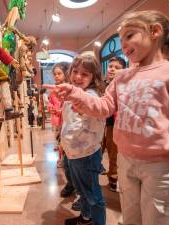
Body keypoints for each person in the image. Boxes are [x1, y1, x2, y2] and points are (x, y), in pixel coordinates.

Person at [45, 10, 169, 225]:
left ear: (155, 31)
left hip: (160, 166)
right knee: (130, 219)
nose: (123, 44)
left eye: (129, 35)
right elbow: (103, 107)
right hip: (125, 161)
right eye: (121, 39)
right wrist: (74, 93)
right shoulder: (122, 77)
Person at [60, 55, 106, 225]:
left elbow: (96, 123)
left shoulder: (92, 97)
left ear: (93, 77)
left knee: (93, 196)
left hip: (86, 155)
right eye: (75, 71)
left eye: (85, 74)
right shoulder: (71, 92)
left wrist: (83, 110)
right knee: (82, 192)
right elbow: (69, 120)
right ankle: (85, 218)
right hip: (73, 154)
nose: (78, 77)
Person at [102, 56, 126, 192]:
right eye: (110, 66)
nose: (112, 69)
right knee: (96, 149)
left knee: (113, 152)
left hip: (114, 124)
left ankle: (113, 177)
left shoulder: (123, 85)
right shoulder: (101, 84)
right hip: (100, 123)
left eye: (117, 68)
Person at [48, 62, 70, 169]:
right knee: (59, 140)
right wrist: (50, 107)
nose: (56, 76)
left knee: (65, 141)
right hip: (57, 120)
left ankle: (66, 159)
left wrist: (61, 110)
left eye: (59, 73)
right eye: (55, 74)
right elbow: (50, 102)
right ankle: (61, 158)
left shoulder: (68, 89)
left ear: (65, 74)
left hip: (66, 120)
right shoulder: (53, 90)